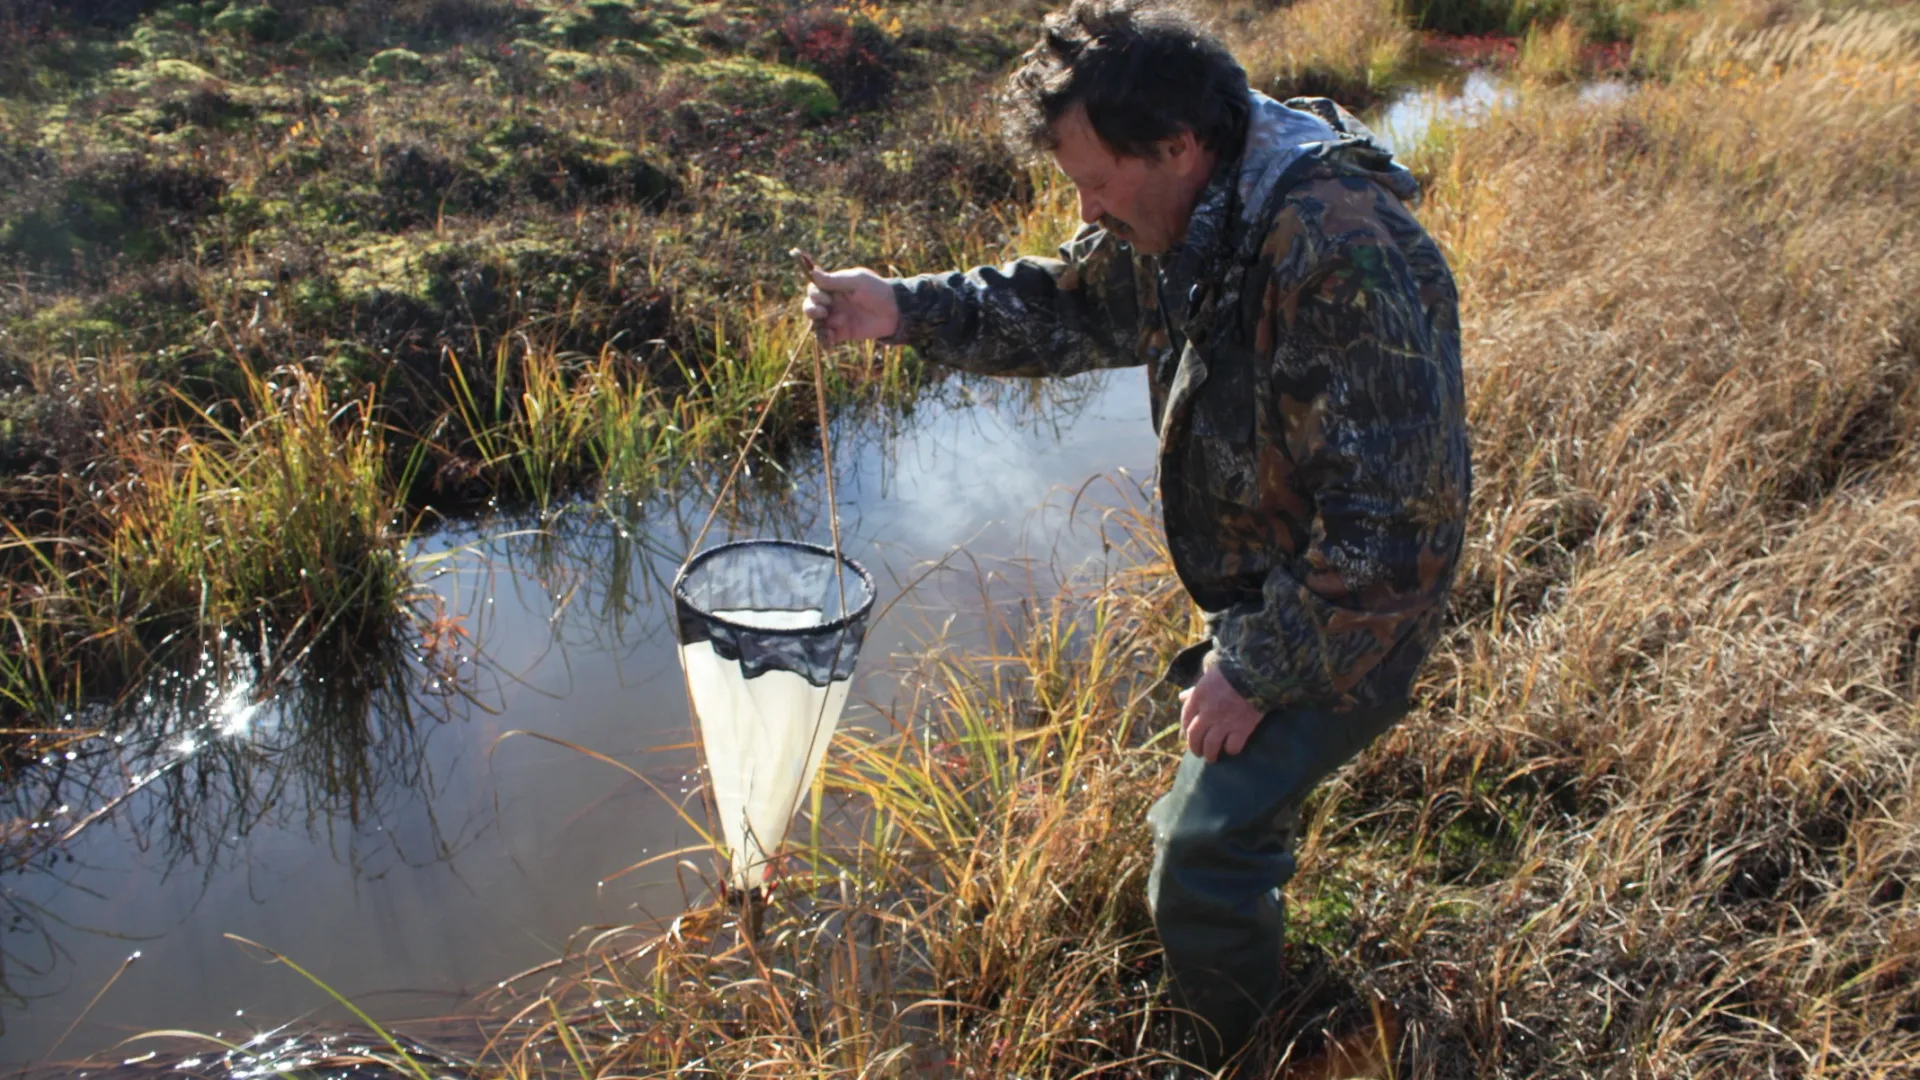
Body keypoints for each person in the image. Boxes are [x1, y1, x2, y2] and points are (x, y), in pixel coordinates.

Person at [802, 0, 1469, 1068]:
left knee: (1197, 849)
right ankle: (1256, 909)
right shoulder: (1189, 208)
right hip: (1272, 588)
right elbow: (1067, 305)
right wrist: (901, 309)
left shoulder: (1342, 250)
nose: (1085, 207)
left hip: (1349, 616)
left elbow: (1398, 532)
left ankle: (1228, 1047)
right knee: (1229, 811)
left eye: (1092, 179)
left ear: (1178, 144)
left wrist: (1252, 668)